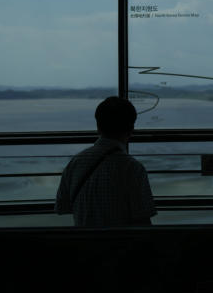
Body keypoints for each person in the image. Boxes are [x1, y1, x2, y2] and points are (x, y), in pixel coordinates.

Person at [55, 96, 156, 227]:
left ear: (98, 127)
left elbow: (62, 207)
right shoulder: (133, 168)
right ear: (131, 129)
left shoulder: (76, 162)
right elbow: (143, 220)